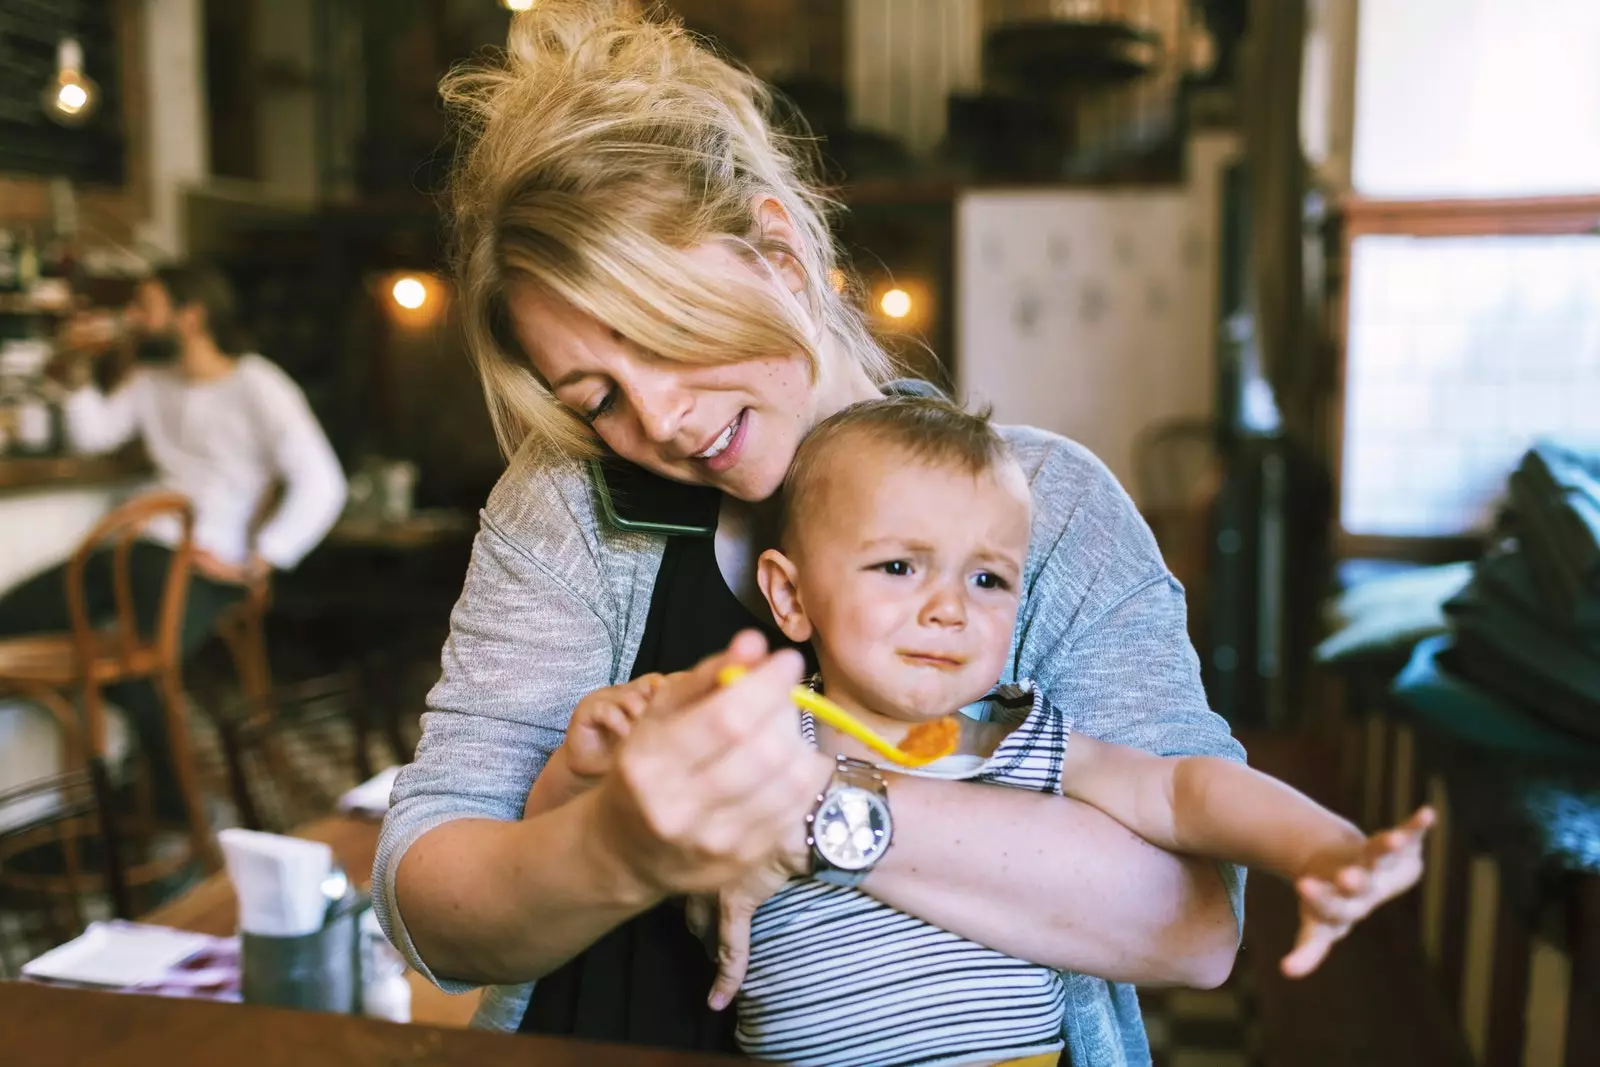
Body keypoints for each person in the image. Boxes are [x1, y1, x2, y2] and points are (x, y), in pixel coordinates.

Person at [376, 3, 1244, 1062]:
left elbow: (1194, 921)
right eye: (597, 392)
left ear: (780, 250)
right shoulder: (564, 503)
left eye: (670, 334)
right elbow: (428, 910)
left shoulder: (1049, 507)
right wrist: (614, 845)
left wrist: (807, 811)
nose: (658, 421)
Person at [525, 397, 1434, 1067]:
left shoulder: (1015, 736)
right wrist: (582, 763)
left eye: (989, 580)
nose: (949, 608)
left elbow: (1181, 788)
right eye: (898, 565)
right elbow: (563, 850)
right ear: (791, 595)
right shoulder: (756, 726)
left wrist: (1321, 848)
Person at [0, 263, 347, 821]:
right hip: (131, 553)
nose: (134, 319)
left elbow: (323, 482)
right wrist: (81, 366)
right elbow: (94, 435)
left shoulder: (255, 382)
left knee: (139, 666)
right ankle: (143, 801)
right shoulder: (150, 381)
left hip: (208, 567)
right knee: (14, 619)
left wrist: (262, 561)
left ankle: (170, 813)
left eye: (147, 307)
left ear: (191, 316)